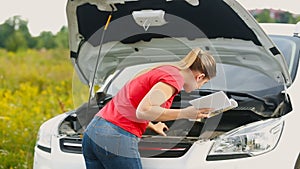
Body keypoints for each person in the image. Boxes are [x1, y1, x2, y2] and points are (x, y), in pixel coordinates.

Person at [82, 48, 217, 169]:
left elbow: (132, 104)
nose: (199, 87)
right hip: (114, 136)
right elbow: (143, 111)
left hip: (93, 131)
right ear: (200, 77)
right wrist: (185, 113)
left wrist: (151, 125)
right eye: (204, 83)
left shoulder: (166, 70)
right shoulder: (174, 79)